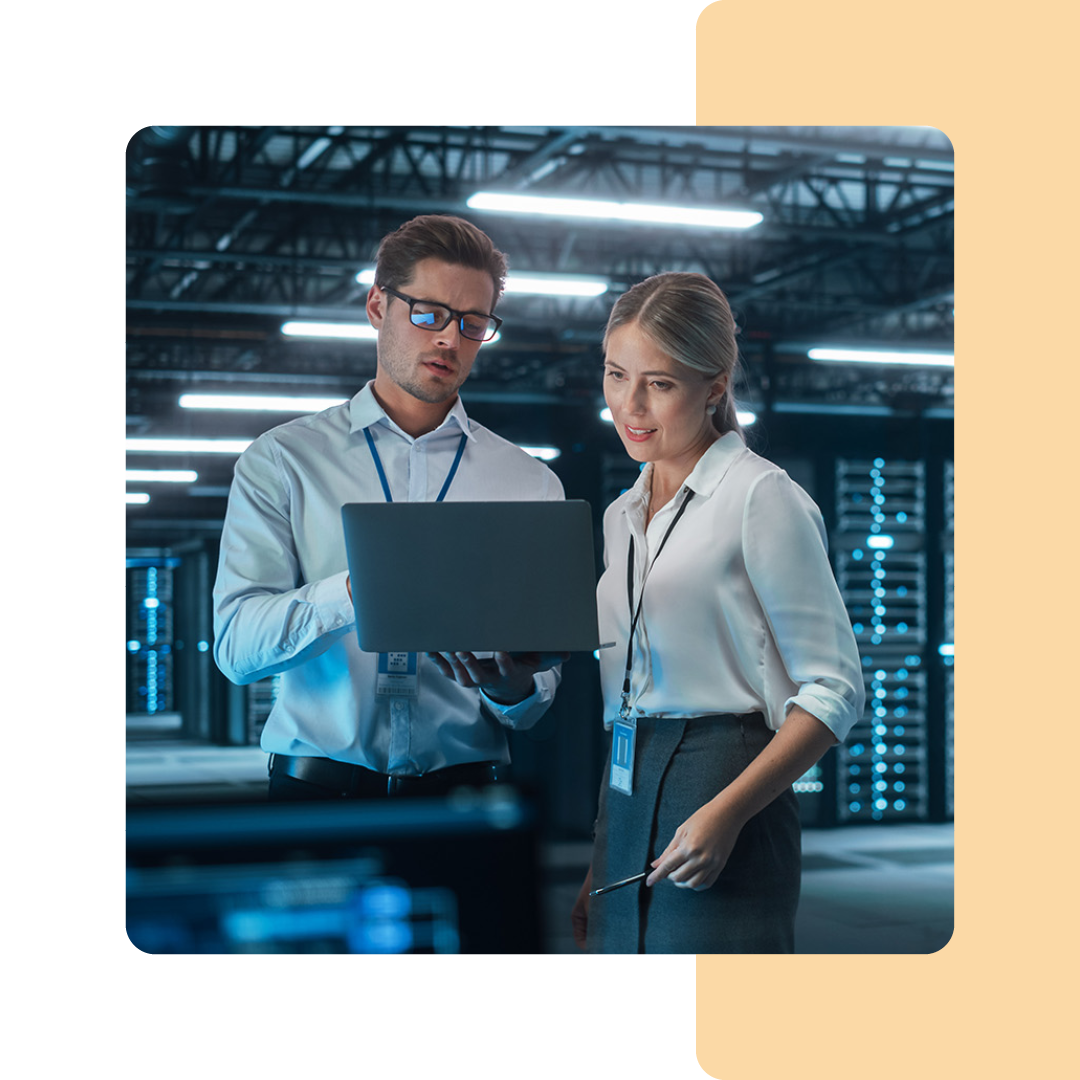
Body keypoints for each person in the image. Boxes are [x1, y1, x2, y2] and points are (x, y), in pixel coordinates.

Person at [213, 214, 567, 800]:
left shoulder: (529, 483)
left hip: (467, 800)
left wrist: (511, 688)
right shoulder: (282, 461)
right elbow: (236, 652)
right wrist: (356, 592)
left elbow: (534, 708)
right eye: (427, 314)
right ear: (378, 305)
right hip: (317, 798)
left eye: (473, 323)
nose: (449, 339)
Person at [572, 272, 865, 954]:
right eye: (617, 375)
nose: (631, 405)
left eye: (661, 383)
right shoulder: (621, 517)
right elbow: (625, 704)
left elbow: (836, 691)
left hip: (728, 785)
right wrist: (598, 858)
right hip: (625, 789)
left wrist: (727, 813)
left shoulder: (761, 497)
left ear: (715, 386)